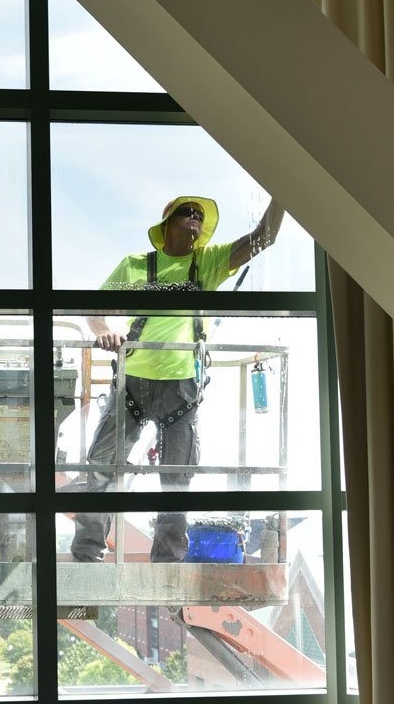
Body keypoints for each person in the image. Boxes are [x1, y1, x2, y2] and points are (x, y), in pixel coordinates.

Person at [70, 194, 284, 563]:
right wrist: (104, 329)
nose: (195, 218)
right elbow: (96, 308)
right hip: (133, 383)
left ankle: (167, 560)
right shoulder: (135, 267)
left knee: (177, 480)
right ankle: (88, 551)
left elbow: (264, 236)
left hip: (182, 388)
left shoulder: (209, 263)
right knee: (102, 469)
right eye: (187, 213)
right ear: (167, 224)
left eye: (200, 215)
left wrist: (286, 192)